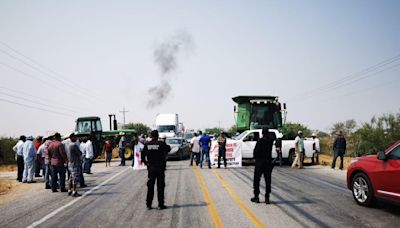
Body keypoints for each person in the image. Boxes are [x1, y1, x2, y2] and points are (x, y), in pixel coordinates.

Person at [141, 130, 170, 210]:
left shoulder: (147, 144)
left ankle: (148, 204)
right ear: (157, 136)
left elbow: (142, 155)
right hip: (160, 168)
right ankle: (160, 205)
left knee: (150, 186)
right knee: (160, 187)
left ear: (151, 136)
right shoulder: (161, 144)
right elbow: (168, 149)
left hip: (151, 169)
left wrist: (146, 163)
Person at [251, 128, 276, 204]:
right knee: (268, 180)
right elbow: (273, 138)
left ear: (262, 133)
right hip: (268, 162)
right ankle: (267, 197)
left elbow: (256, 151)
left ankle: (256, 196)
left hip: (260, 162)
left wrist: (255, 157)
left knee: (257, 179)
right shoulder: (270, 141)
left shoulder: (260, 141)